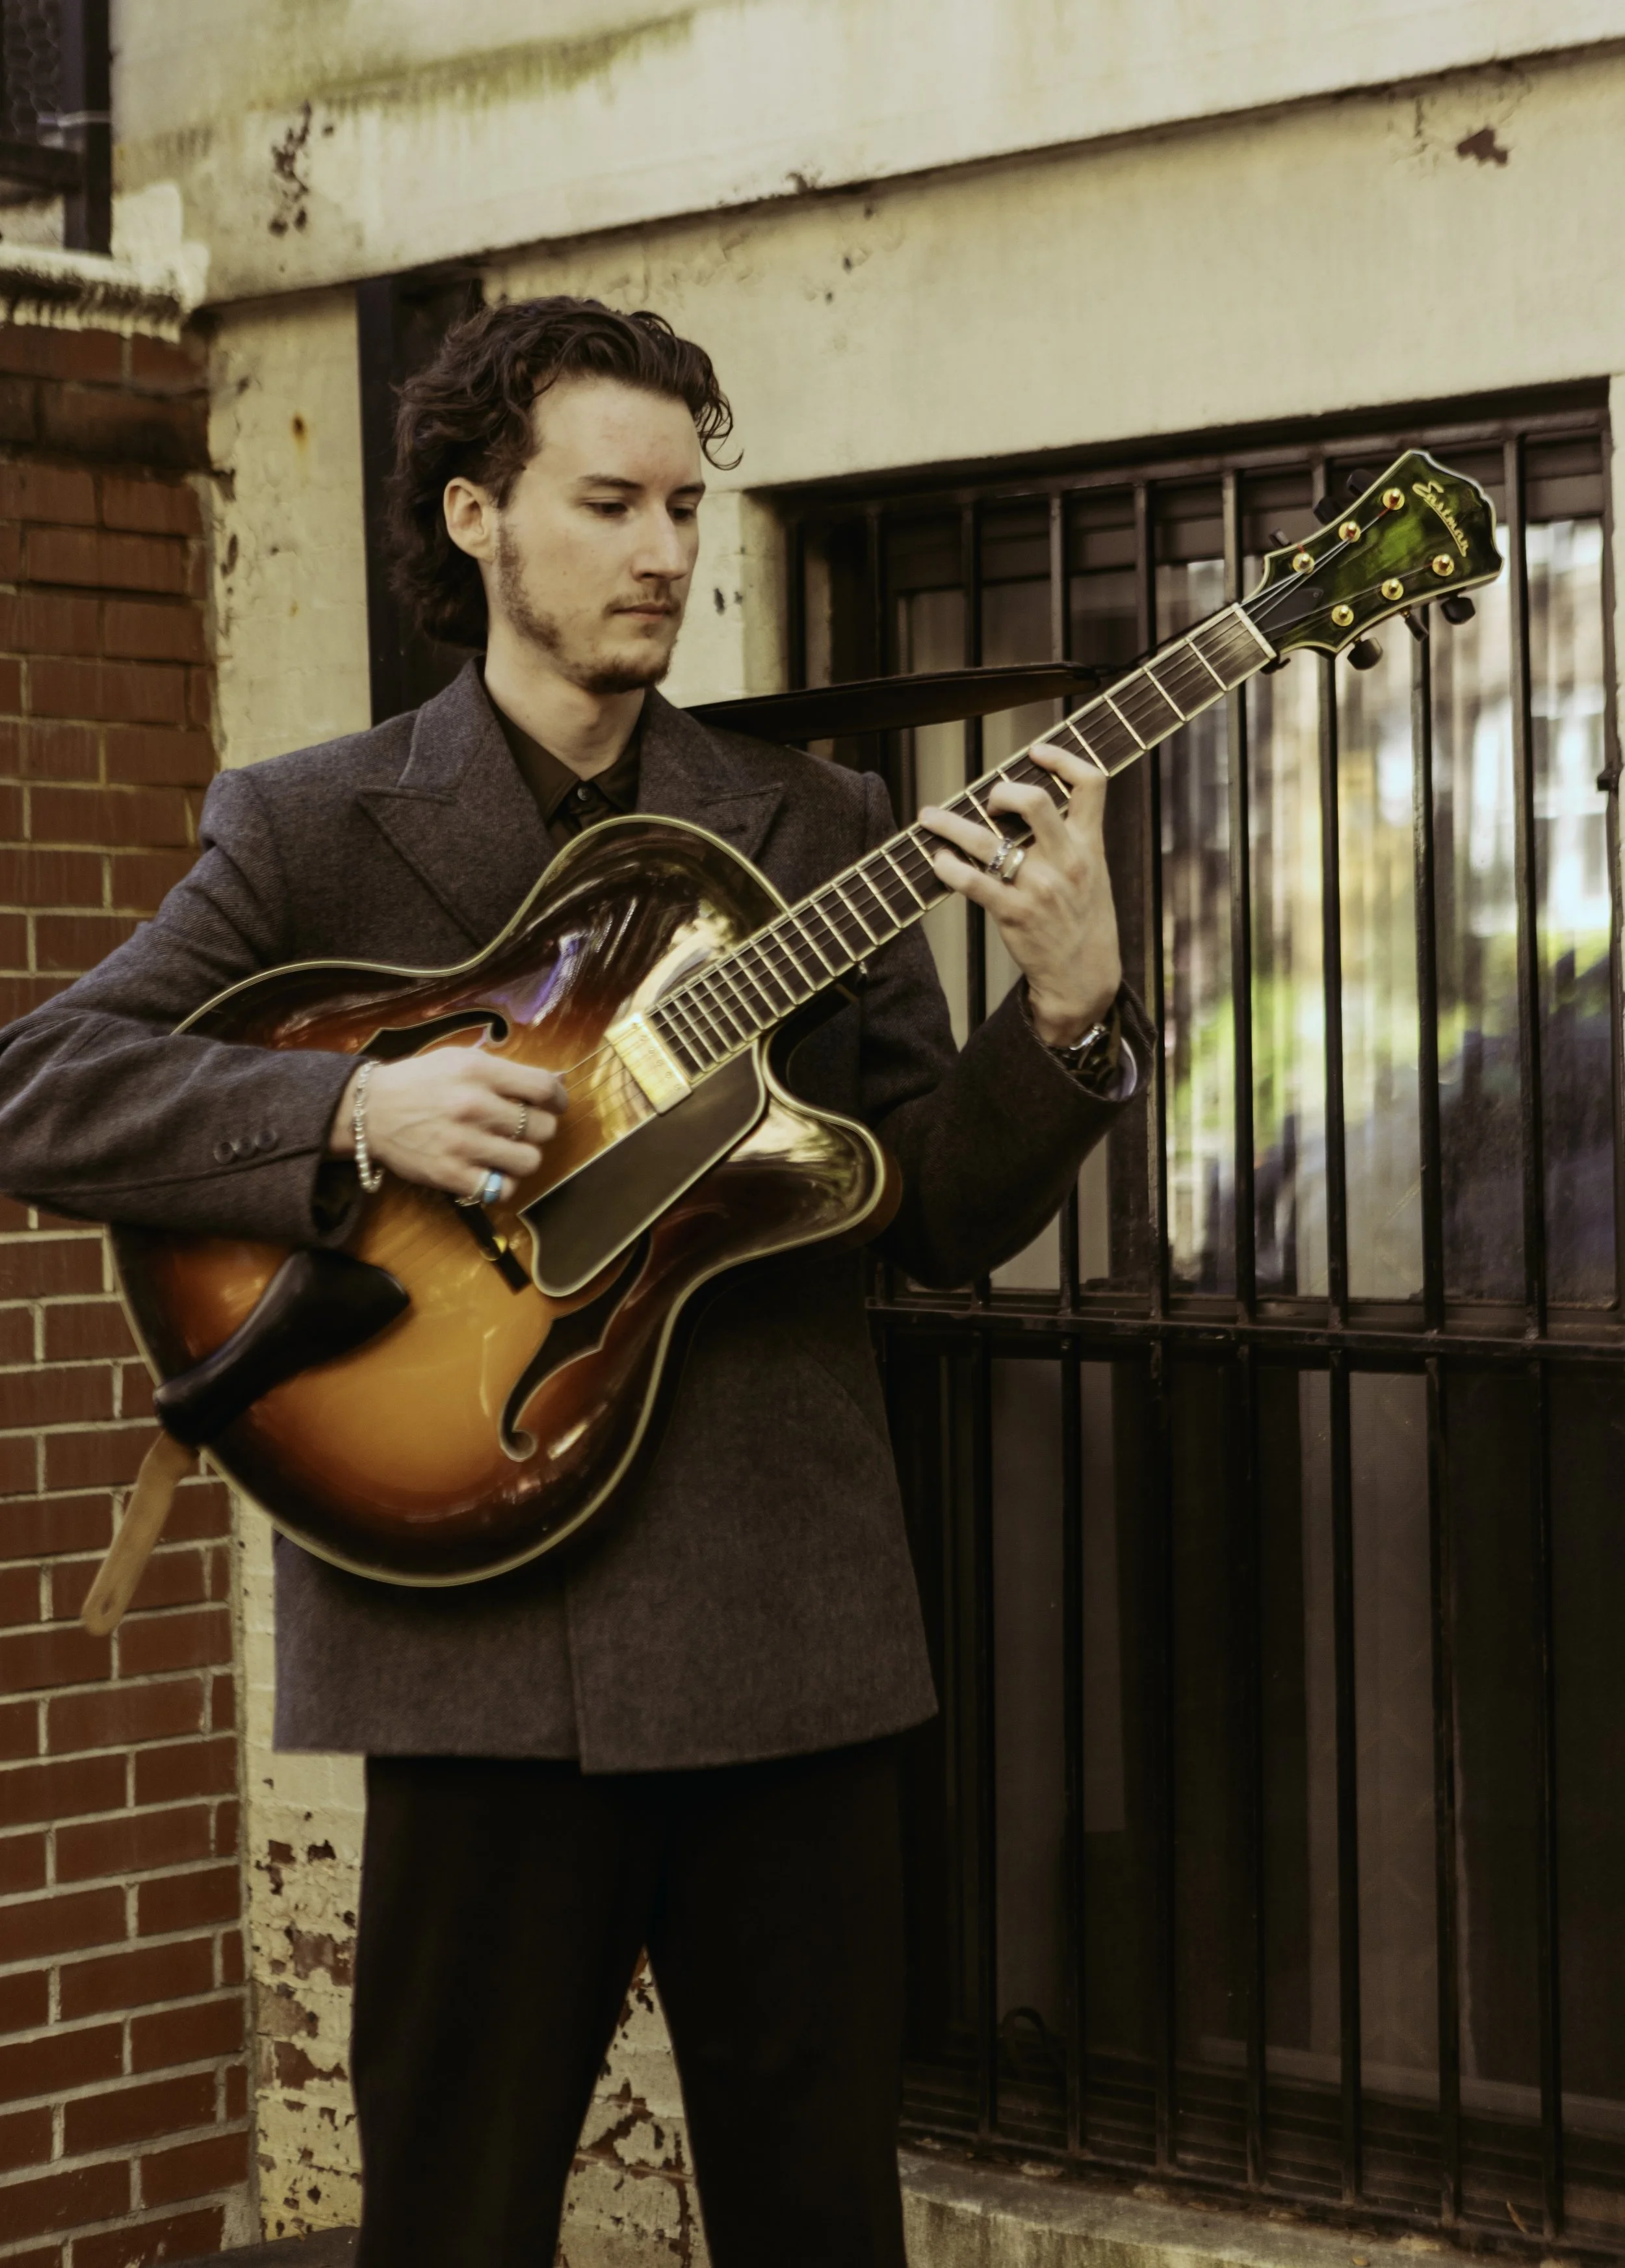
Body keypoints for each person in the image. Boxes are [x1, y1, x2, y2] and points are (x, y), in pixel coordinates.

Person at [0, 298, 1147, 2265]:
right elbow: (42, 1088)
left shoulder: (816, 825)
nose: (664, 554)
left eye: (685, 506)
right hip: (463, 1628)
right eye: (608, 502)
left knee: (816, 2223)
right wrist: (359, 1109)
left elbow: (933, 1213)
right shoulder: (309, 826)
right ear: (473, 516)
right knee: (450, 2221)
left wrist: (1066, 1011)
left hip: (788, 1645)